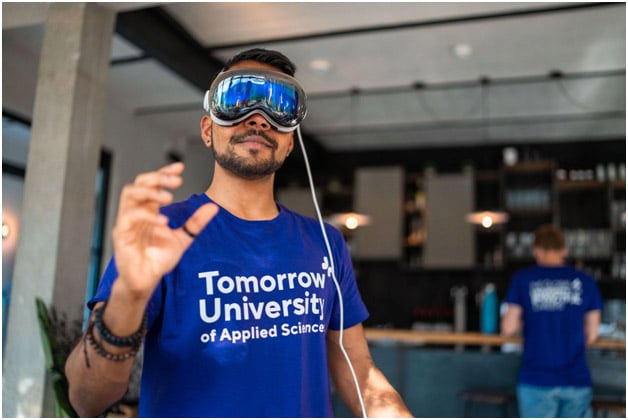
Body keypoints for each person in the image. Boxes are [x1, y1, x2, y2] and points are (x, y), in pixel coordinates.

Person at [65, 48, 412, 418]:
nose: (259, 119)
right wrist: (129, 298)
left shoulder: (326, 243)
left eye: (278, 106)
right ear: (207, 129)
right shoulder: (161, 234)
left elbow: (361, 375)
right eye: (238, 99)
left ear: (290, 142)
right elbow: (87, 401)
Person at [501, 224, 603, 418]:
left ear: (536, 251)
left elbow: (508, 327)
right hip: (576, 378)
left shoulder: (523, 279)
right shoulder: (585, 280)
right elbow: (592, 335)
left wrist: (530, 319)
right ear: (564, 250)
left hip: (536, 379)